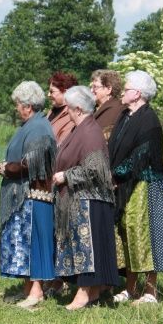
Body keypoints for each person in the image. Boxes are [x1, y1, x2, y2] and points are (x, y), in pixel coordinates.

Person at [109, 70, 163, 304]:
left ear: (138, 94)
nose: (123, 92)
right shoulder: (125, 116)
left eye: (127, 88)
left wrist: (116, 174)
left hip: (146, 184)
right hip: (125, 184)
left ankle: (150, 291)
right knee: (126, 231)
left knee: (147, 233)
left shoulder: (149, 121)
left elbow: (140, 156)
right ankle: (130, 288)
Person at [51, 86, 118, 310]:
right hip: (78, 198)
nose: (67, 112)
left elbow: (96, 169)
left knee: (87, 249)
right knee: (81, 247)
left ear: (78, 109)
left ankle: (85, 292)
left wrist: (66, 175)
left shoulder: (90, 132)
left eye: (69, 108)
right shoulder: (80, 129)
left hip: (89, 201)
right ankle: (93, 292)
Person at [0, 81, 57, 309]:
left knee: (33, 244)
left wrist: (6, 168)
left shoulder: (40, 128)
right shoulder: (30, 125)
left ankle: (36, 291)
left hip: (34, 196)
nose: (16, 108)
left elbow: (32, 163)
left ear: (28, 106)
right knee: (23, 244)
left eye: (18, 104)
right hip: (24, 195)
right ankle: (26, 289)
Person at [90, 69, 125, 140]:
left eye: (95, 87)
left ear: (108, 89)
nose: (91, 90)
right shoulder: (93, 108)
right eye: (91, 87)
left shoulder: (118, 111)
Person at [47, 71, 78, 143]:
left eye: (52, 92)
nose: (48, 95)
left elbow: (62, 145)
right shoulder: (52, 110)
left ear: (65, 92)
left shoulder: (72, 116)